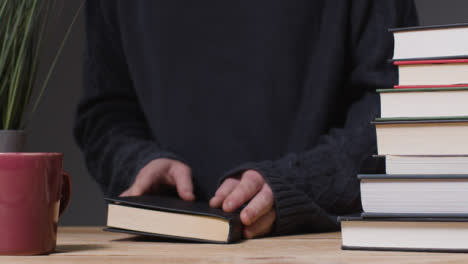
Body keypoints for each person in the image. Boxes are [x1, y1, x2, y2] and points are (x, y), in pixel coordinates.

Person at [74, 0, 418, 239]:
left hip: (318, 247)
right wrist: (137, 163)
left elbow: (397, 104)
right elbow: (105, 112)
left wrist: (296, 184)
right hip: (162, 247)